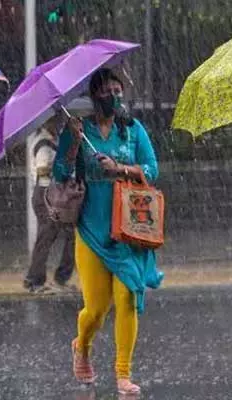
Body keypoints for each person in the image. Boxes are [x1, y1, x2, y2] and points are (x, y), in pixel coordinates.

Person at [53, 68, 163, 395]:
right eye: (106, 91)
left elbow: (152, 169)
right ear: (94, 95)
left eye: (118, 89)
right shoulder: (79, 130)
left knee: (128, 295)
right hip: (91, 230)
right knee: (97, 311)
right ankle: (82, 345)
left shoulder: (132, 131)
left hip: (128, 229)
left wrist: (122, 169)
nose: (113, 95)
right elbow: (61, 172)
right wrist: (71, 145)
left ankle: (123, 374)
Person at [23, 115, 76, 293]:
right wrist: (60, 166)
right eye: (55, 121)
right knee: (46, 237)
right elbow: (42, 169)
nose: (59, 124)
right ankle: (34, 280)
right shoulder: (43, 142)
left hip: (56, 195)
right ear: (46, 122)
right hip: (45, 195)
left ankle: (61, 277)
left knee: (71, 234)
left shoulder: (56, 139)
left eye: (60, 121)